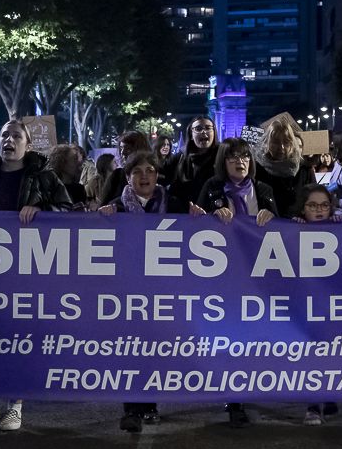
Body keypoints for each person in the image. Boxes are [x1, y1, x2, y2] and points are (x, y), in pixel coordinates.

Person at [0, 118, 74, 433]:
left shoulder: (45, 176)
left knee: (22, 336)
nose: (8, 140)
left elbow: (70, 213)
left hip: (29, 273)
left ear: (27, 145)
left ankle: (16, 403)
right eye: (3, 135)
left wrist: (43, 211)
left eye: (15, 136)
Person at [194, 136, 280, 428]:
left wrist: (273, 216)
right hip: (224, 279)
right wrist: (208, 218)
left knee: (255, 339)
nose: (240, 162)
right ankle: (235, 399)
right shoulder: (212, 189)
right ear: (223, 162)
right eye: (233, 158)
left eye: (244, 157)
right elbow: (192, 227)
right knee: (232, 340)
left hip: (259, 279)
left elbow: (283, 231)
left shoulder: (265, 190)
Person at [98, 150, 177, 432]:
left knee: (154, 348)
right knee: (131, 348)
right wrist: (102, 217)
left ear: (157, 175)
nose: (145, 176)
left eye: (150, 171)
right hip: (128, 292)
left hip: (163, 290)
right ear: (128, 177)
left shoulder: (176, 205)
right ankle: (131, 408)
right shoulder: (115, 209)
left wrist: (204, 215)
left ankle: (150, 405)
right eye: (137, 172)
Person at [297, 183, 342, 426]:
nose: (319, 211)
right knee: (312, 351)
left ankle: (329, 394)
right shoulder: (291, 231)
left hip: (333, 304)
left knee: (331, 350)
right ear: (303, 209)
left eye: (324, 205)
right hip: (305, 304)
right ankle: (313, 405)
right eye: (313, 205)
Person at [252, 114, 312, 220]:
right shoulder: (256, 169)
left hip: (297, 229)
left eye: (286, 142)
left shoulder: (304, 170)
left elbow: (312, 200)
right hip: (265, 229)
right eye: (276, 142)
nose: (281, 147)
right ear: (267, 143)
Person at [163, 116, 219, 214]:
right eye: (198, 129)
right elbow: (160, 177)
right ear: (191, 134)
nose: (203, 132)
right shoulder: (179, 158)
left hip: (215, 219)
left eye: (208, 128)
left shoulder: (224, 156)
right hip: (185, 218)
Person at [97, 130, 154, 206]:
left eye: (128, 148)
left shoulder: (154, 176)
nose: (122, 153)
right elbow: (103, 207)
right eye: (121, 148)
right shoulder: (117, 176)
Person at [48, 143, 91, 209]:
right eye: (74, 159)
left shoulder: (79, 189)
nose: (79, 163)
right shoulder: (48, 189)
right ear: (62, 163)